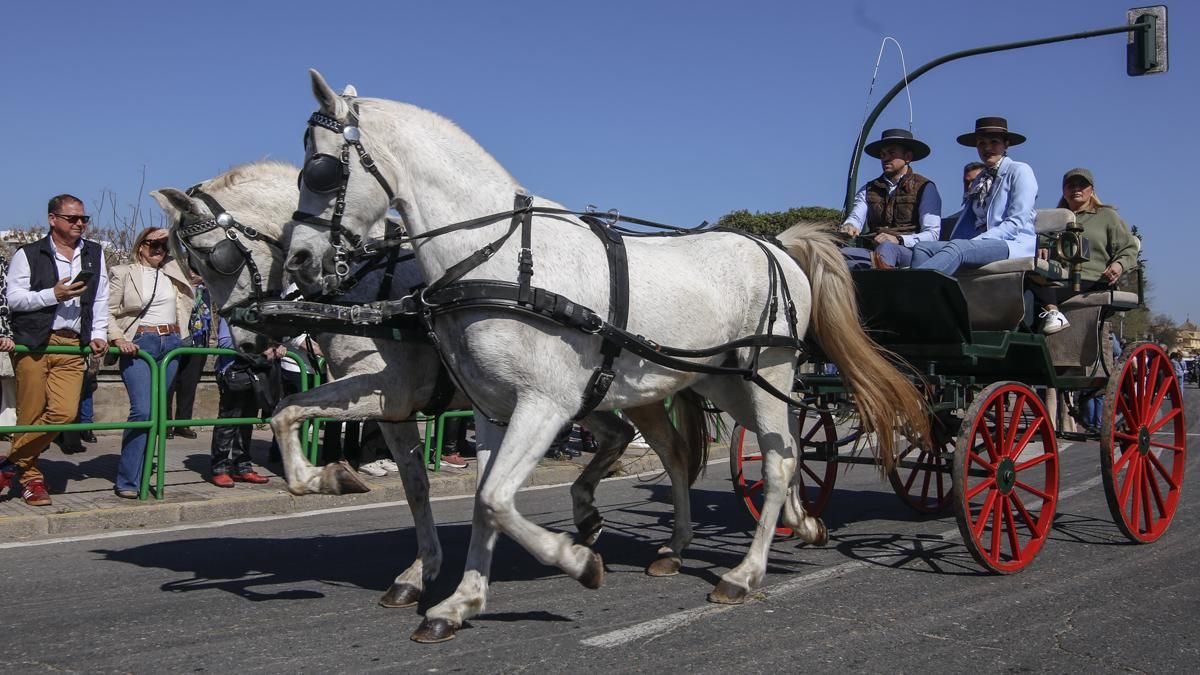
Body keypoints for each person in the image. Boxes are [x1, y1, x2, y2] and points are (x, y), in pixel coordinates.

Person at [1, 194, 108, 506]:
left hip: (73, 344)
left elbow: (100, 298)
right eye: (72, 219)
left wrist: (98, 333)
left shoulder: (94, 253)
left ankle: (9, 465)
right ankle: (32, 480)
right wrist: (53, 294)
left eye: (83, 219)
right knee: (30, 415)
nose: (79, 224)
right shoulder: (29, 253)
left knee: (63, 414)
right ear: (53, 219)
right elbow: (15, 299)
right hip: (34, 342)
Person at [108, 227, 194, 498]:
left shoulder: (174, 273)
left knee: (158, 414)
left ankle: (145, 475)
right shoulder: (123, 273)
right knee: (142, 411)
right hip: (140, 343)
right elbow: (107, 312)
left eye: (164, 245)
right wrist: (119, 338)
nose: (159, 249)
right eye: (154, 244)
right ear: (141, 246)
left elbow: (190, 249)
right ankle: (127, 480)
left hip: (170, 343)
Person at [910, 117, 1038, 276]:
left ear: (1006, 144)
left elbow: (1016, 222)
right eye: (981, 143)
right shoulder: (980, 179)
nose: (987, 148)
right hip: (977, 244)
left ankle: (913, 290)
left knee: (957, 248)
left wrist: (976, 242)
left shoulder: (1019, 170)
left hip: (1011, 243)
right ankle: (929, 296)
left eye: (994, 142)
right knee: (922, 248)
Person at [1032, 168, 1140, 334]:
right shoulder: (1054, 219)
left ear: (1092, 190)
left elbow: (1129, 248)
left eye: (1082, 185)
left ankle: (1052, 316)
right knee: (1023, 282)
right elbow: (1038, 243)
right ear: (1064, 191)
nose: (1076, 189)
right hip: (1057, 276)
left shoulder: (1107, 216)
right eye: (1071, 185)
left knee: (1036, 294)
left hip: (1093, 279)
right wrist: (1041, 247)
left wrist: (1119, 265)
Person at [840, 129, 942, 269]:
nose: (885, 158)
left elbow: (932, 235)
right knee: (837, 255)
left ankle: (884, 288)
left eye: (892, 153)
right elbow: (856, 217)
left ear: (908, 157)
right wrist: (850, 225)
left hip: (911, 253)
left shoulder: (925, 187)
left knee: (887, 248)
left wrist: (899, 239)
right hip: (874, 252)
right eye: (882, 154)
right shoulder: (869, 189)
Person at [209, 318, 271, 487]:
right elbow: (226, 343)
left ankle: (242, 466)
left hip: (254, 372)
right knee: (228, 420)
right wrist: (261, 348)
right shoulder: (230, 314)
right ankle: (220, 468)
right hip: (233, 371)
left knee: (247, 421)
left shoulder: (258, 313)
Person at [166, 273, 210, 439]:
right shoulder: (174, 285)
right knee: (168, 384)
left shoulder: (206, 290)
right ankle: (165, 424)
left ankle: (182, 424)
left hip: (198, 341)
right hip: (175, 339)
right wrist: (189, 285)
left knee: (189, 385)